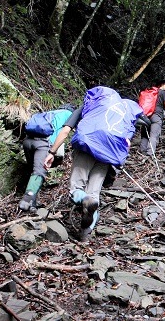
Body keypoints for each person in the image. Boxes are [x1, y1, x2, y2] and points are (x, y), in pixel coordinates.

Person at [44, 86, 143, 240]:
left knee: (77, 188)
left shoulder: (88, 108)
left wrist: (51, 152)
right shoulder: (123, 116)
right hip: (108, 154)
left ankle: (84, 200)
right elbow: (127, 143)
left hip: (86, 146)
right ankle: (85, 235)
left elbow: (65, 131)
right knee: (94, 193)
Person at [19, 104, 75, 211]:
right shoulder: (69, 115)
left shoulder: (50, 113)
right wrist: (52, 152)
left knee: (33, 170)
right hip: (43, 143)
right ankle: (27, 199)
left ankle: (32, 203)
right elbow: (62, 134)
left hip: (27, 141)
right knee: (40, 171)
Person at [139, 79, 165, 157]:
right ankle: (150, 154)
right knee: (153, 136)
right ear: (162, 85)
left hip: (146, 116)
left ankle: (142, 153)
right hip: (156, 117)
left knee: (144, 135)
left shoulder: (151, 92)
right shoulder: (164, 93)